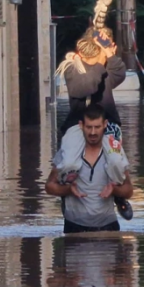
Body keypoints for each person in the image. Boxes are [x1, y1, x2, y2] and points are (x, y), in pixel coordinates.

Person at [54, 27, 133, 220]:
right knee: (70, 162)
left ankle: (118, 196)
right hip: (78, 123)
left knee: (115, 161)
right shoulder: (73, 67)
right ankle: (65, 192)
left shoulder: (105, 66)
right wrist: (100, 62)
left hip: (108, 122)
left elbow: (120, 73)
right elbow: (84, 87)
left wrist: (110, 56)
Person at [45, 103, 134, 234]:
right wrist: (68, 189)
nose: (93, 132)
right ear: (81, 126)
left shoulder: (114, 152)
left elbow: (129, 190)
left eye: (97, 127)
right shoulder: (68, 152)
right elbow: (49, 186)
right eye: (89, 127)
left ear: (105, 125)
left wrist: (115, 190)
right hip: (74, 225)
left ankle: (119, 201)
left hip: (107, 225)